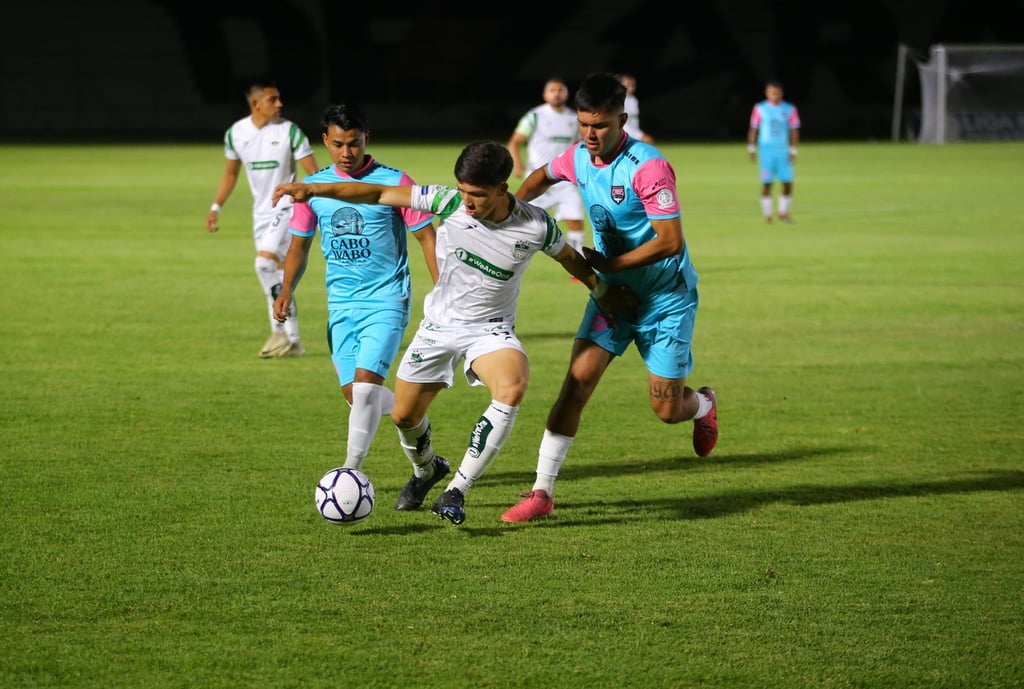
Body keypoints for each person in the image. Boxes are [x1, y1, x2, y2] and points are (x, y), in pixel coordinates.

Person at [272, 141, 633, 526]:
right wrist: (313, 190)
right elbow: (378, 192)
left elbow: (570, 260)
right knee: (404, 416)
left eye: (476, 195)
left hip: (490, 330)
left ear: (501, 188)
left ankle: (457, 490)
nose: (468, 202)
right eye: (462, 191)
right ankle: (427, 469)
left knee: (511, 388)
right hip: (438, 327)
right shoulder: (446, 202)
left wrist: (600, 289)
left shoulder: (536, 225)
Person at [501, 72, 718, 524]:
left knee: (666, 408)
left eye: (599, 125)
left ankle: (704, 405)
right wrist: (511, 216)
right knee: (575, 386)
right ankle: (542, 492)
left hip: (664, 299)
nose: (589, 135)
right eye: (583, 124)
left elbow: (671, 240)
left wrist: (611, 265)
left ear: (622, 118)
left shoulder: (648, 165)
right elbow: (540, 177)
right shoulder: (579, 157)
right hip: (611, 298)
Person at [272, 103, 439, 472]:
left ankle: (350, 471)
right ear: (325, 142)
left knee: (365, 387)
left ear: (367, 139)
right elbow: (299, 245)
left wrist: (443, 288)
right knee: (359, 396)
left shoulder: (396, 182)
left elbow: (428, 238)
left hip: (387, 300)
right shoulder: (311, 190)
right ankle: (426, 458)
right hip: (342, 304)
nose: (346, 153)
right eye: (337, 144)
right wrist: (286, 290)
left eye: (354, 143)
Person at [206, 81, 319, 358]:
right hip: (261, 214)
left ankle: (280, 333)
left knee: (263, 263)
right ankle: (292, 340)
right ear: (256, 104)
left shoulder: (290, 131)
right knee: (279, 273)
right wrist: (216, 207)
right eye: (273, 99)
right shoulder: (236, 134)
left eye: (279, 99)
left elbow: (314, 175)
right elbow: (231, 174)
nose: (279, 104)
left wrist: (306, 198)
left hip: (287, 207)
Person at [507, 77, 587, 254]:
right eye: (552, 90)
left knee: (575, 220)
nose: (556, 94)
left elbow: (580, 146)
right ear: (545, 94)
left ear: (567, 94)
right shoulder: (534, 116)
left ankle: (580, 263)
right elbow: (515, 142)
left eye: (561, 90)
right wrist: (518, 165)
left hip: (565, 180)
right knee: (522, 223)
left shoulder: (574, 118)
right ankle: (508, 257)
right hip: (538, 178)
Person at [747, 79, 800, 223]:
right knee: (767, 183)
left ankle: (783, 212)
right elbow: (754, 128)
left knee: (787, 182)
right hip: (766, 151)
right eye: (771, 93)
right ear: (767, 93)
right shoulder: (760, 108)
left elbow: (794, 129)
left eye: (777, 93)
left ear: (781, 93)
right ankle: (768, 214)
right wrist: (751, 148)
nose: (774, 96)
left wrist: (793, 150)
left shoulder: (789, 109)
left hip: (782, 150)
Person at [618, 73, 654, 144]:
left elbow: (634, 122)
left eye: (633, 85)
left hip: (633, 135)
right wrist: (640, 136)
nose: (631, 87)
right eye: (628, 85)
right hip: (623, 136)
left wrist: (639, 135)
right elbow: (622, 124)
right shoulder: (619, 101)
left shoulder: (634, 100)